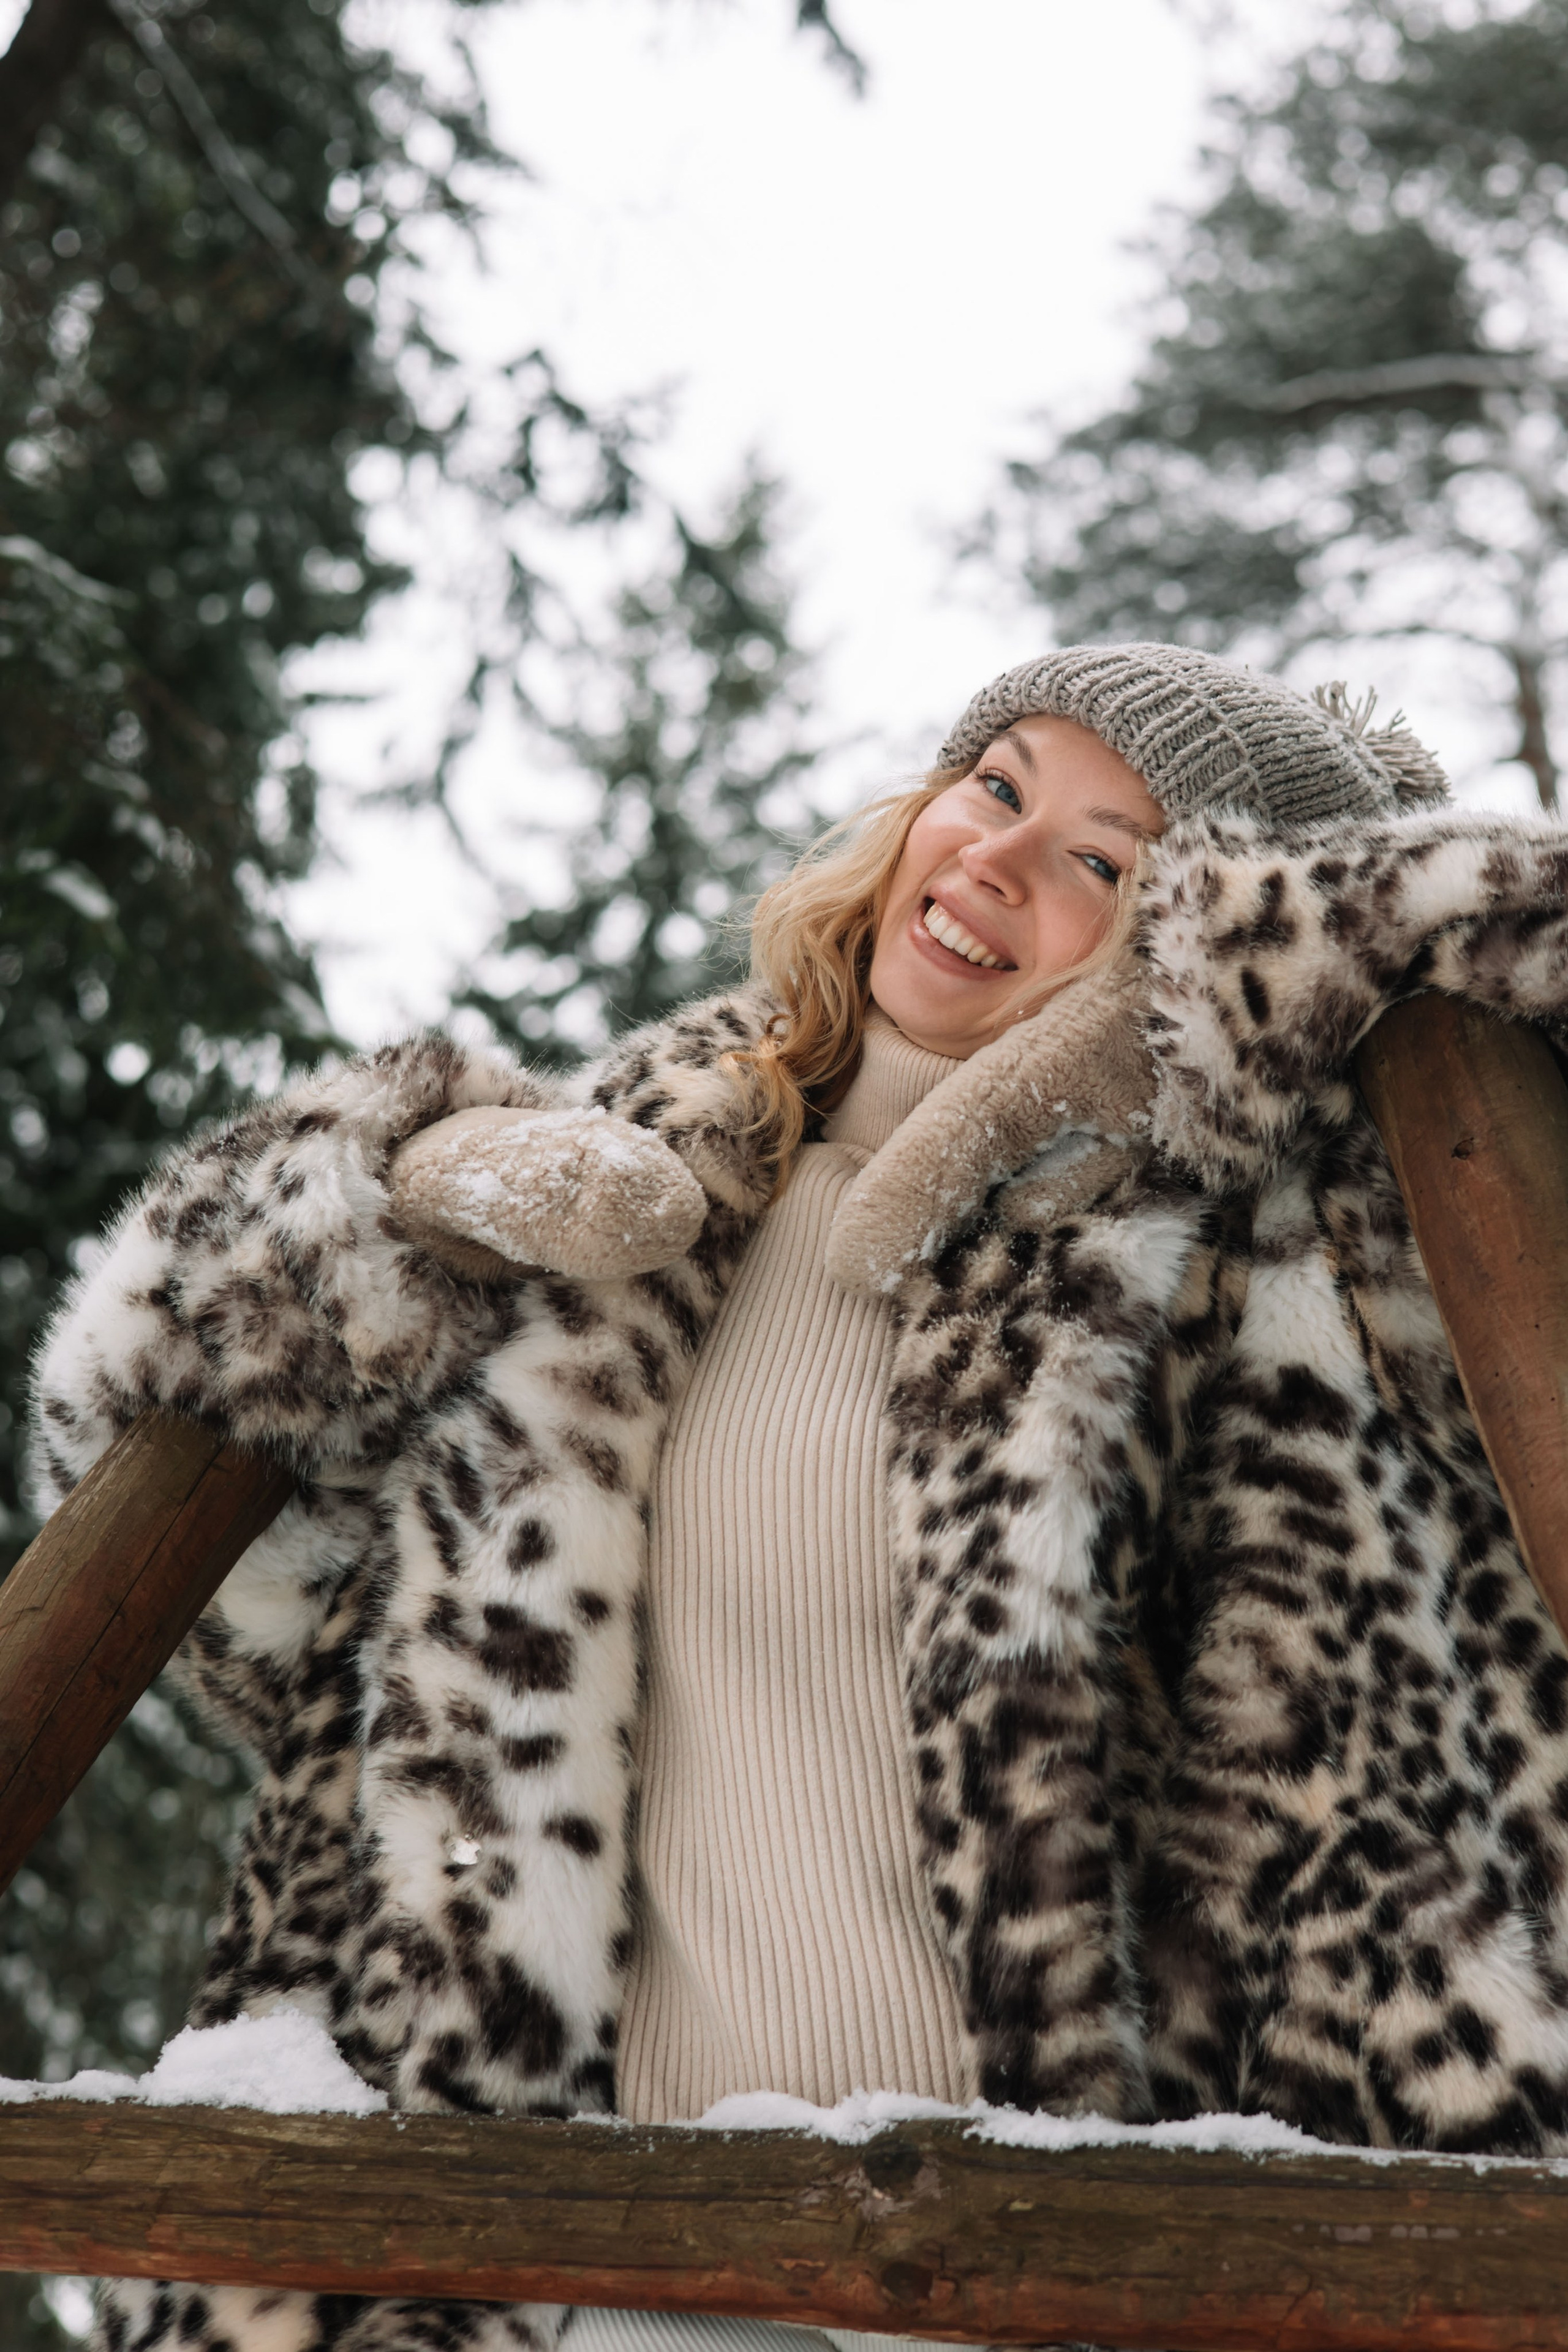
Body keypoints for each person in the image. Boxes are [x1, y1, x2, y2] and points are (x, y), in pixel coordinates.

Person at [34, 643, 1568, 2352]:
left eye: (1104, 861)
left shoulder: (1251, 1271)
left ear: (1217, 941)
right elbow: (270, 1630)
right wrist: (379, 1199)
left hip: (1062, 2250)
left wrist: (1351, 975)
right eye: (995, 787)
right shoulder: (652, 1187)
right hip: (606, 2234)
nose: (994, 858)